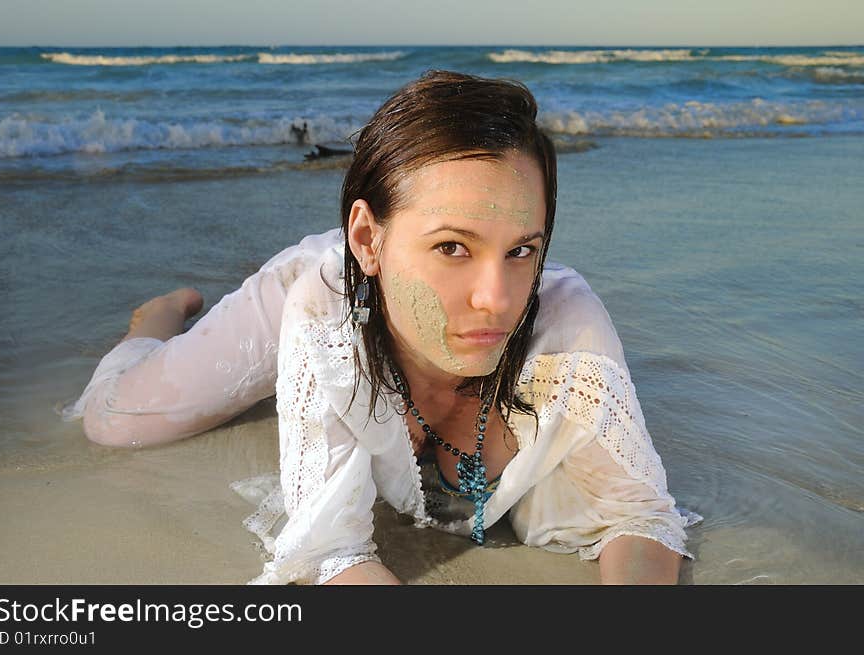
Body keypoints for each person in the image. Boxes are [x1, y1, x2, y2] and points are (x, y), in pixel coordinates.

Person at [61, 70, 702, 585]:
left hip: (371, 299)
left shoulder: (565, 318)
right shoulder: (323, 306)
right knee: (115, 424)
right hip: (329, 296)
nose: (497, 299)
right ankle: (158, 317)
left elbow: (636, 514)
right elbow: (331, 554)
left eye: (522, 250)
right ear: (368, 238)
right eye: (453, 247)